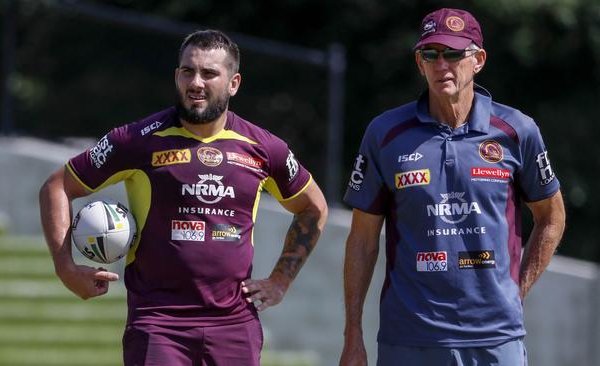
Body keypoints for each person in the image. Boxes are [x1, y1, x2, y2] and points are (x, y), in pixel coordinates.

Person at [39, 29, 328, 366]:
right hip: (158, 324)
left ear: (234, 83)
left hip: (235, 326)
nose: (196, 83)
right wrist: (66, 268)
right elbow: (57, 186)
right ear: (177, 76)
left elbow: (313, 206)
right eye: (188, 71)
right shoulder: (136, 140)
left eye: (209, 74)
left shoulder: (264, 148)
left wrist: (280, 281)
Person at [340, 8, 565, 366]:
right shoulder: (384, 133)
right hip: (408, 338)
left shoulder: (516, 130)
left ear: (478, 60)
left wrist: (515, 294)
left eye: (454, 53)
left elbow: (552, 218)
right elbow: (363, 239)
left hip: (496, 339)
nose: (441, 64)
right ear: (419, 62)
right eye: (431, 54)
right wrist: (353, 333)